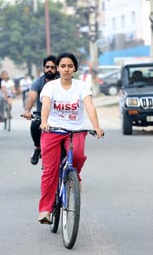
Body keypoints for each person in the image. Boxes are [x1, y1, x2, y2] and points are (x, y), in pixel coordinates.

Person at [38, 52, 104, 224]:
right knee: (50, 170)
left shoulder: (81, 86)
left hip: (76, 131)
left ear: (74, 68)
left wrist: (96, 126)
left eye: (69, 66)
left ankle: (75, 177)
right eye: (63, 66)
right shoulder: (50, 87)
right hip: (52, 130)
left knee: (78, 156)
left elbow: (89, 107)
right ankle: (45, 209)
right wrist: (44, 122)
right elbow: (46, 105)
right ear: (58, 68)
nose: (66, 69)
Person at [22, 55, 58, 165]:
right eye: (47, 67)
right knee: (34, 125)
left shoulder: (62, 81)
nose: (49, 70)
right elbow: (32, 97)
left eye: (52, 67)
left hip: (60, 113)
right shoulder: (38, 82)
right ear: (43, 68)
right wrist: (27, 110)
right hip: (41, 113)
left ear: (57, 68)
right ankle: (37, 148)